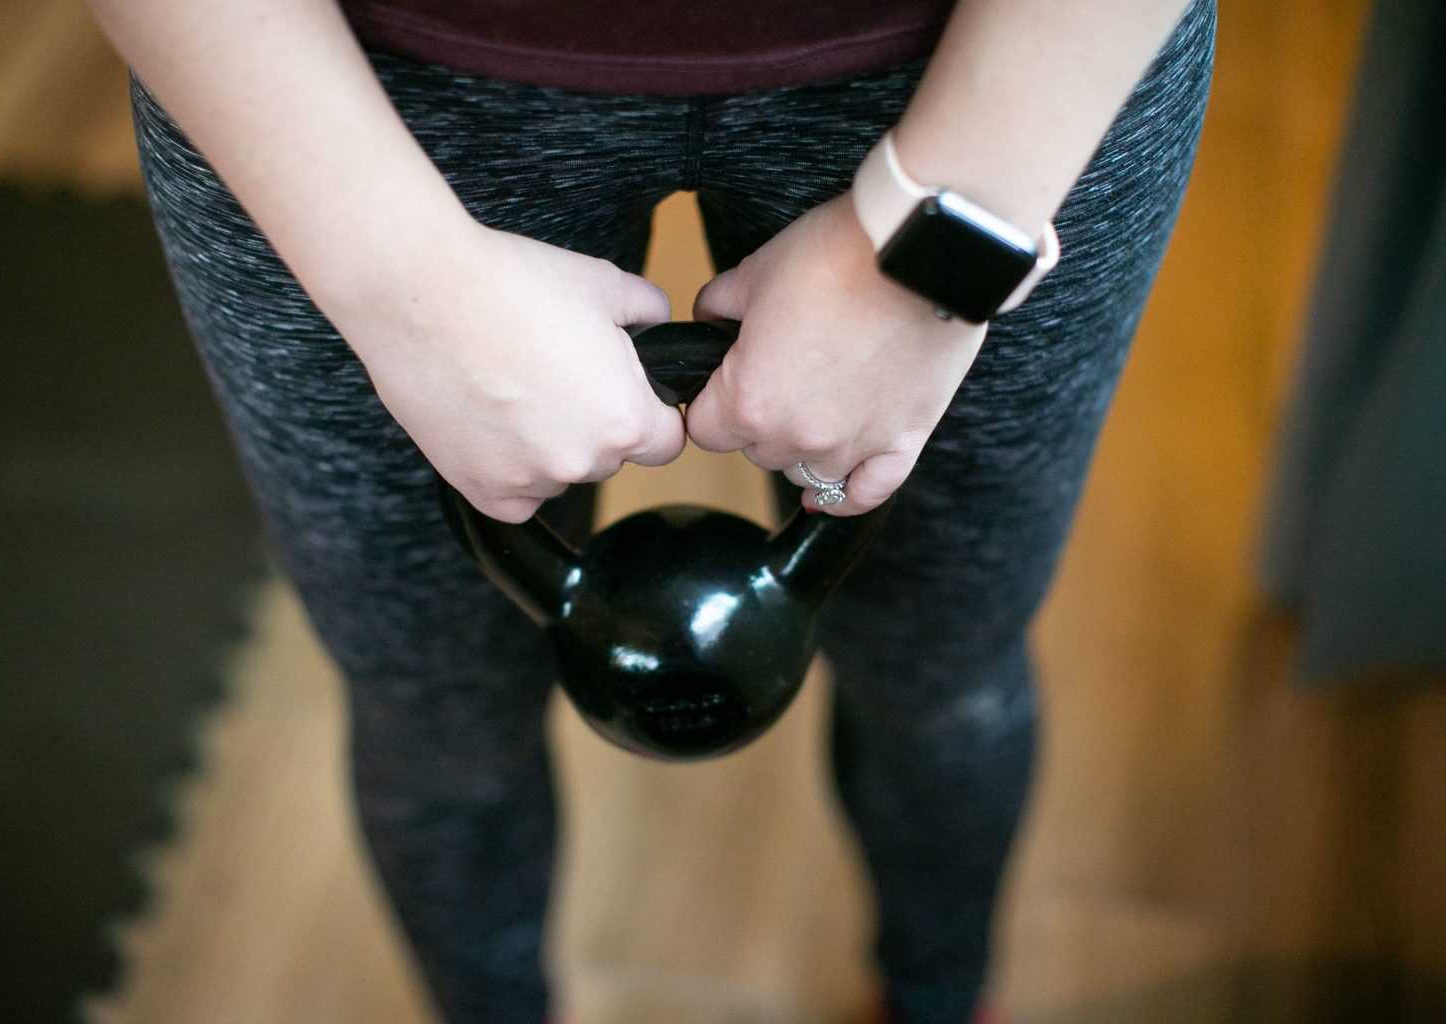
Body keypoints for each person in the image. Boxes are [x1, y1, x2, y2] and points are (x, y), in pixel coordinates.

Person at [80, 1, 1216, 1021]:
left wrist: (940, 241)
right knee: (437, 714)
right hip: (337, 82)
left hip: (994, 71)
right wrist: (400, 282)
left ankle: (937, 997)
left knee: (944, 667)